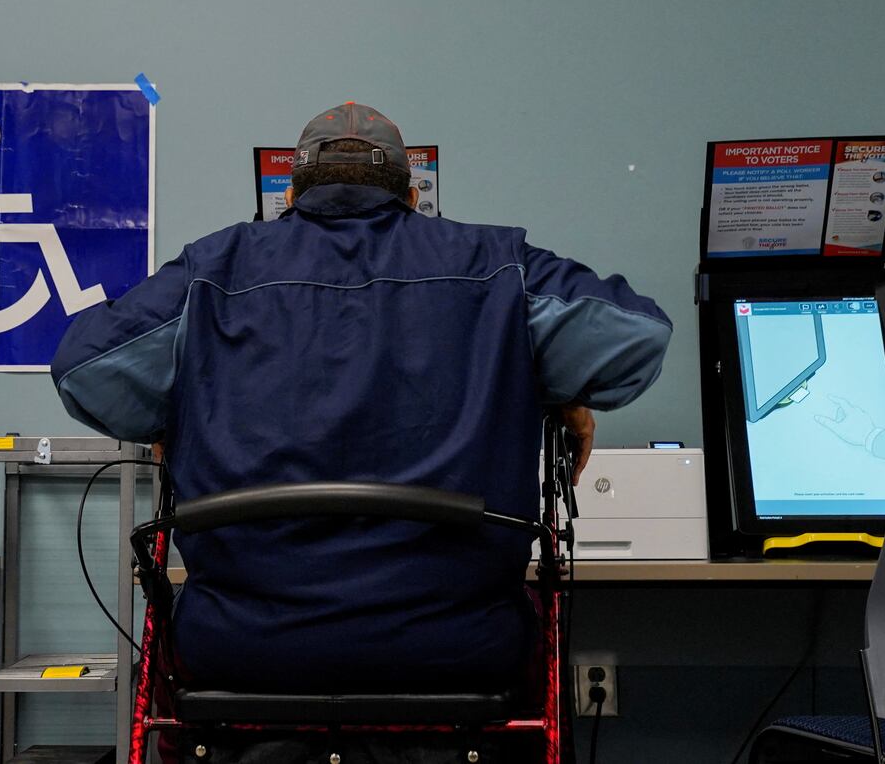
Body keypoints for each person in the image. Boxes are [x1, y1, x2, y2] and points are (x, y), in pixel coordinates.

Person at [51, 102, 670, 694]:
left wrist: (168, 406)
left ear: (288, 200)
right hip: (459, 646)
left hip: (244, 647)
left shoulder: (210, 270)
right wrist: (556, 383)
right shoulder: (501, 265)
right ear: (413, 198)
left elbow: (85, 370)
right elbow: (639, 336)